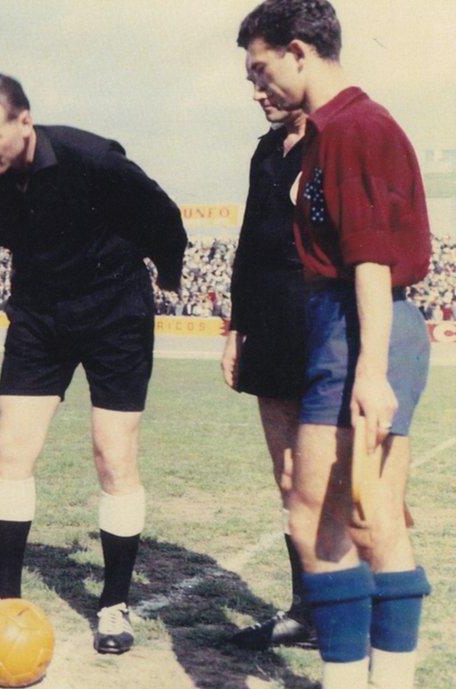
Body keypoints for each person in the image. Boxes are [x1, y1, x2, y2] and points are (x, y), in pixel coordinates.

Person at [0, 73, 186, 654]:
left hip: (115, 314)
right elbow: (13, 238)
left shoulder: (94, 160)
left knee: (113, 454)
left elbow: (164, 217)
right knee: (11, 450)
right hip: (40, 315)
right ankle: (3, 601)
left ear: (24, 121)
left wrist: (168, 280)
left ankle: (113, 605)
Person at [237, 2, 432, 688]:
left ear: (299, 51)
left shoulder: (355, 128)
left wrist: (370, 371)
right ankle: (367, 677)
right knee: (359, 517)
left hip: (361, 325)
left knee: (326, 519)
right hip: (342, 326)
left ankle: (368, 678)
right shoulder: (327, 133)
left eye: (261, 69)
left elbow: (371, 261)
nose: (256, 85)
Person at [221, 74, 315, 650]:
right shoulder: (264, 151)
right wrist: (236, 328)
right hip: (270, 325)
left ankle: (353, 607)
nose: (257, 93)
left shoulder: (336, 140)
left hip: (324, 320)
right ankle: (305, 611)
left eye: (264, 78)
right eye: (250, 82)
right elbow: (250, 244)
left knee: (338, 480)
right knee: (287, 477)